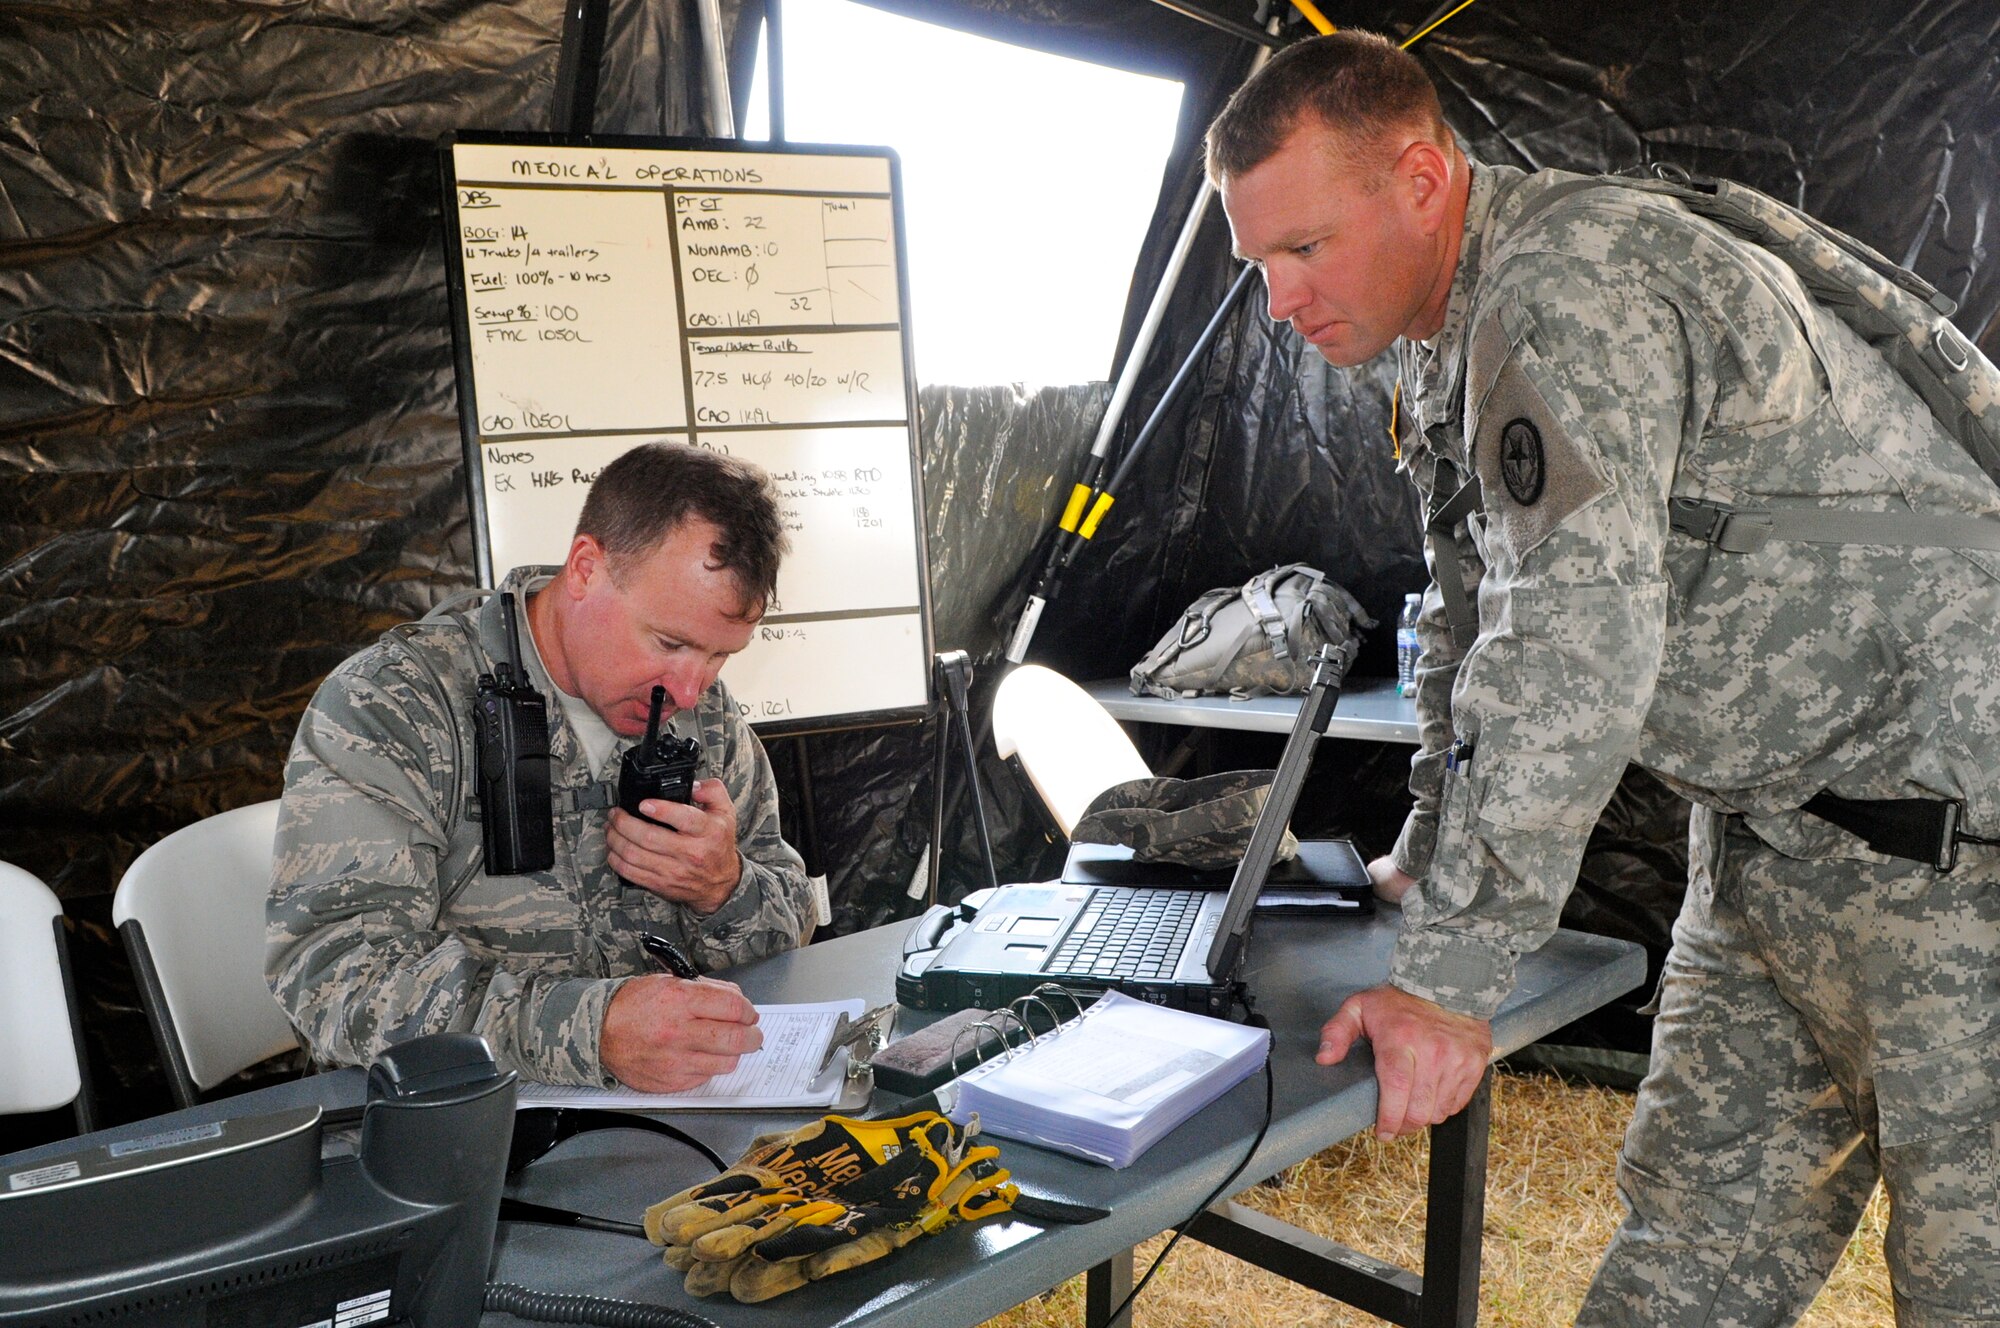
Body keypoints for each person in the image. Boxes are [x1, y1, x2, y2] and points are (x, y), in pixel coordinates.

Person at [1207, 30, 2000, 1327]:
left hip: (1960, 876)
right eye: (1261, 265)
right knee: (1676, 1280)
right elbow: (1473, 609)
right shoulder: (1441, 333)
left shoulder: (1566, 287)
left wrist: (1450, 986)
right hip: (1765, 852)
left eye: (1307, 249)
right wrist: (1429, 841)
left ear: (1419, 178)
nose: (1283, 302)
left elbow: (1574, 631)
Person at [268, 443, 817, 1094]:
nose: (692, 689)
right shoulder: (396, 704)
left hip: (671, 1116)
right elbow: (333, 973)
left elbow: (790, 916)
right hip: (465, 1124)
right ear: (586, 569)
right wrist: (589, 1029)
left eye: (719, 657)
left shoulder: (703, 719)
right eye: (670, 643)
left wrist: (723, 889)